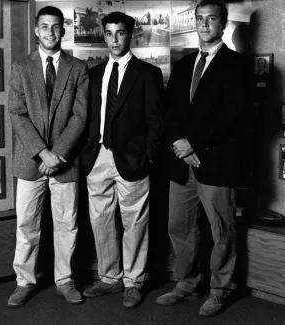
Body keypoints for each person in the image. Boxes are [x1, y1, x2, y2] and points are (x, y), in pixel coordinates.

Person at [156, 0, 248, 317]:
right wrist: (179, 143)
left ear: (223, 24)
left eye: (211, 18)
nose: (204, 23)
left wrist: (193, 144)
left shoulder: (238, 65)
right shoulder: (182, 66)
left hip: (216, 162)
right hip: (180, 163)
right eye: (199, 18)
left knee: (221, 229)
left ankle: (220, 289)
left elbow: (233, 117)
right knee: (178, 225)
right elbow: (168, 114)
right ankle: (187, 282)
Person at [7, 6, 89, 307]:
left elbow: (80, 117)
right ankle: (24, 281)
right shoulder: (20, 66)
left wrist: (58, 154)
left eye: (56, 27)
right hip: (30, 160)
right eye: (44, 26)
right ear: (36, 30)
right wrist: (43, 152)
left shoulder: (77, 67)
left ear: (63, 30)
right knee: (27, 224)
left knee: (67, 223)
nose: (50, 32)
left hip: (65, 161)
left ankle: (65, 281)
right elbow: (16, 113)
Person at [82, 11, 164, 308]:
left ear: (131, 35)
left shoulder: (147, 74)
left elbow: (157, 122)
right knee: (101, 221)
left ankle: (134, 282)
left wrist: (147, 156)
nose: (114, 39)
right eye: (108, 33)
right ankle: (109, 277)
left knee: (135, 223)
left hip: (132, 160)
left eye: (120, 33)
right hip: (98, 158)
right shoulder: (93, 74)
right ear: (103, 35)